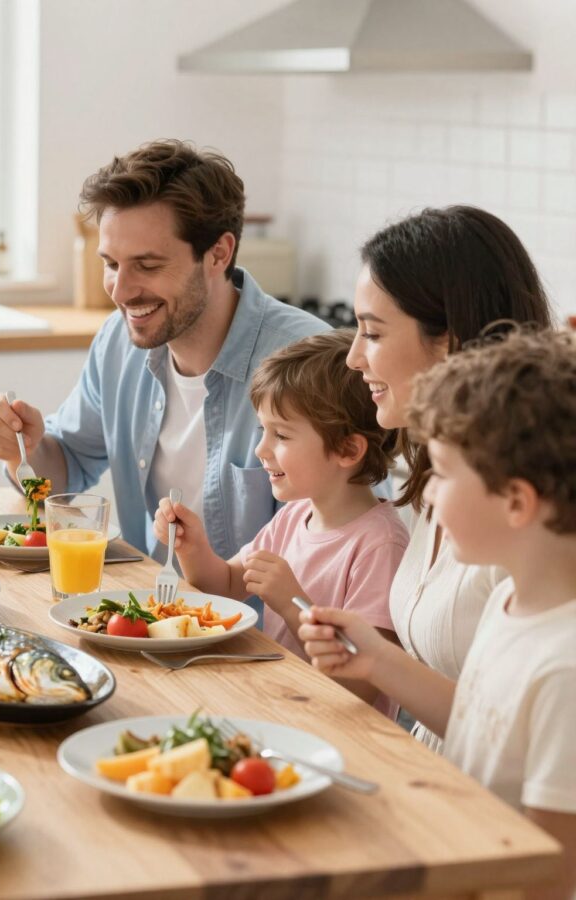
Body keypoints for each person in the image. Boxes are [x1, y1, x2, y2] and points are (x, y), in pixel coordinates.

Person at [299, 329, 576, 899]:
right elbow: (480, 726)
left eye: (444, 474)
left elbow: (551, 874)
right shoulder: (511, 602)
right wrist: (377, 660)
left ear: (517, 502)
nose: (427, 494)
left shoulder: (565, 670)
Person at [0, 140, 327, 562]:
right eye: (111, 264)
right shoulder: (117, 341)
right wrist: (25, 447)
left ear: (218, 254)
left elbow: (337, 550)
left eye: (147, 265)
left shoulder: (307, 363)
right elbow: (67, 464)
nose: (121, 291)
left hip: (258, 627)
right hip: (144, 613)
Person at [345, 205, 553, 749]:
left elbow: (516, 735)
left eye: (372, 333)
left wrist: (379, 660)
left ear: (449, 341)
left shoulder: (521, 511)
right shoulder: (438, 473)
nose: (353, 357)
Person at [152, 329, 406, 714]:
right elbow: (225, 585)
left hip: (343, 731)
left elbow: (361, 684)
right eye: (263, 431)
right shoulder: (294, 517)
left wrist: (293, 605)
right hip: (282, 707)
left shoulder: (380, 544)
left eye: (282, 435)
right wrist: (193, 547)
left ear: (347, 449)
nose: (261, 449)